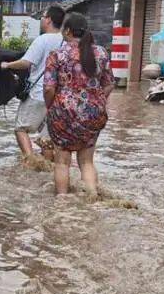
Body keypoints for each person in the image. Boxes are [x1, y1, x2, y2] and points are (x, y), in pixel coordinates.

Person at [44, 12, 115, 195]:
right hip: (94, 114)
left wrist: (51, 107)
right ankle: (92, 196)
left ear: (67, 31)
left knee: (62, 161)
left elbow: (48, 89)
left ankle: (62, 201)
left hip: (63, 114)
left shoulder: (57, 55)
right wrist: (97, 100)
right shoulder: (100, 53)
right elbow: (109, 84)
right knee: (87, 162)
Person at [0, 4, 65, 158]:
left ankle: (30, 162)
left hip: (39, 94)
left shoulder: (42, 40)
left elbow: (26, 63)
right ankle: (48, 166)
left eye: (43, 17)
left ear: (48, 20)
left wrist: (7, 65)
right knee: (46, 136)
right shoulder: (66, 41)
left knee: (21, 128)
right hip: (59, 98)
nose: (42, 19)